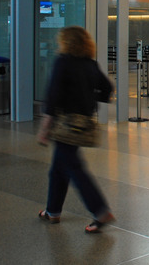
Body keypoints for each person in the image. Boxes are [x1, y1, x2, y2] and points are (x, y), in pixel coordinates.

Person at [36, 26, 115, 234]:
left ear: (66, 42)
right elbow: (107, 89)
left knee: (74, 169)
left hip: (65, 125)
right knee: (58, 169)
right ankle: (53, 210)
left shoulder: (63, 61)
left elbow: (53, 95)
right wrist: (89, 98)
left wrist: (45, 127)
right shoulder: (90, 64)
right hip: (84, 123)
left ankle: (100, 210)